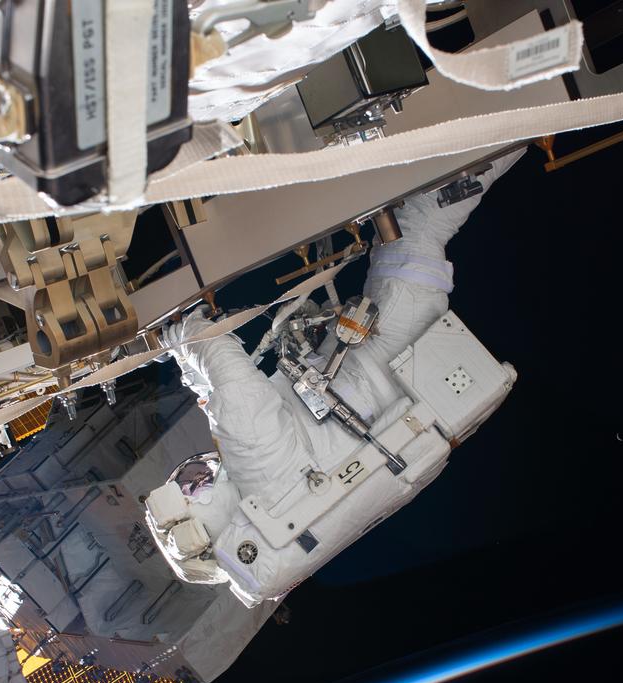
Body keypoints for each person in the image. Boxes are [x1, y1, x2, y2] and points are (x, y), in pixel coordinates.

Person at [152, 156, 517, 607]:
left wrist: (185, 361)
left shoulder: (268, 501)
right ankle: (522, 118)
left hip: (404, 379)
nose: (201, 474)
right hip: (393, 346)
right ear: (204, 517)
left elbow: (220, 400)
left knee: (416, 225)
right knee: (421, 222)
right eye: (192, 485)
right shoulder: (255, 473)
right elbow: (230, 379)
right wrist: (183, 335)